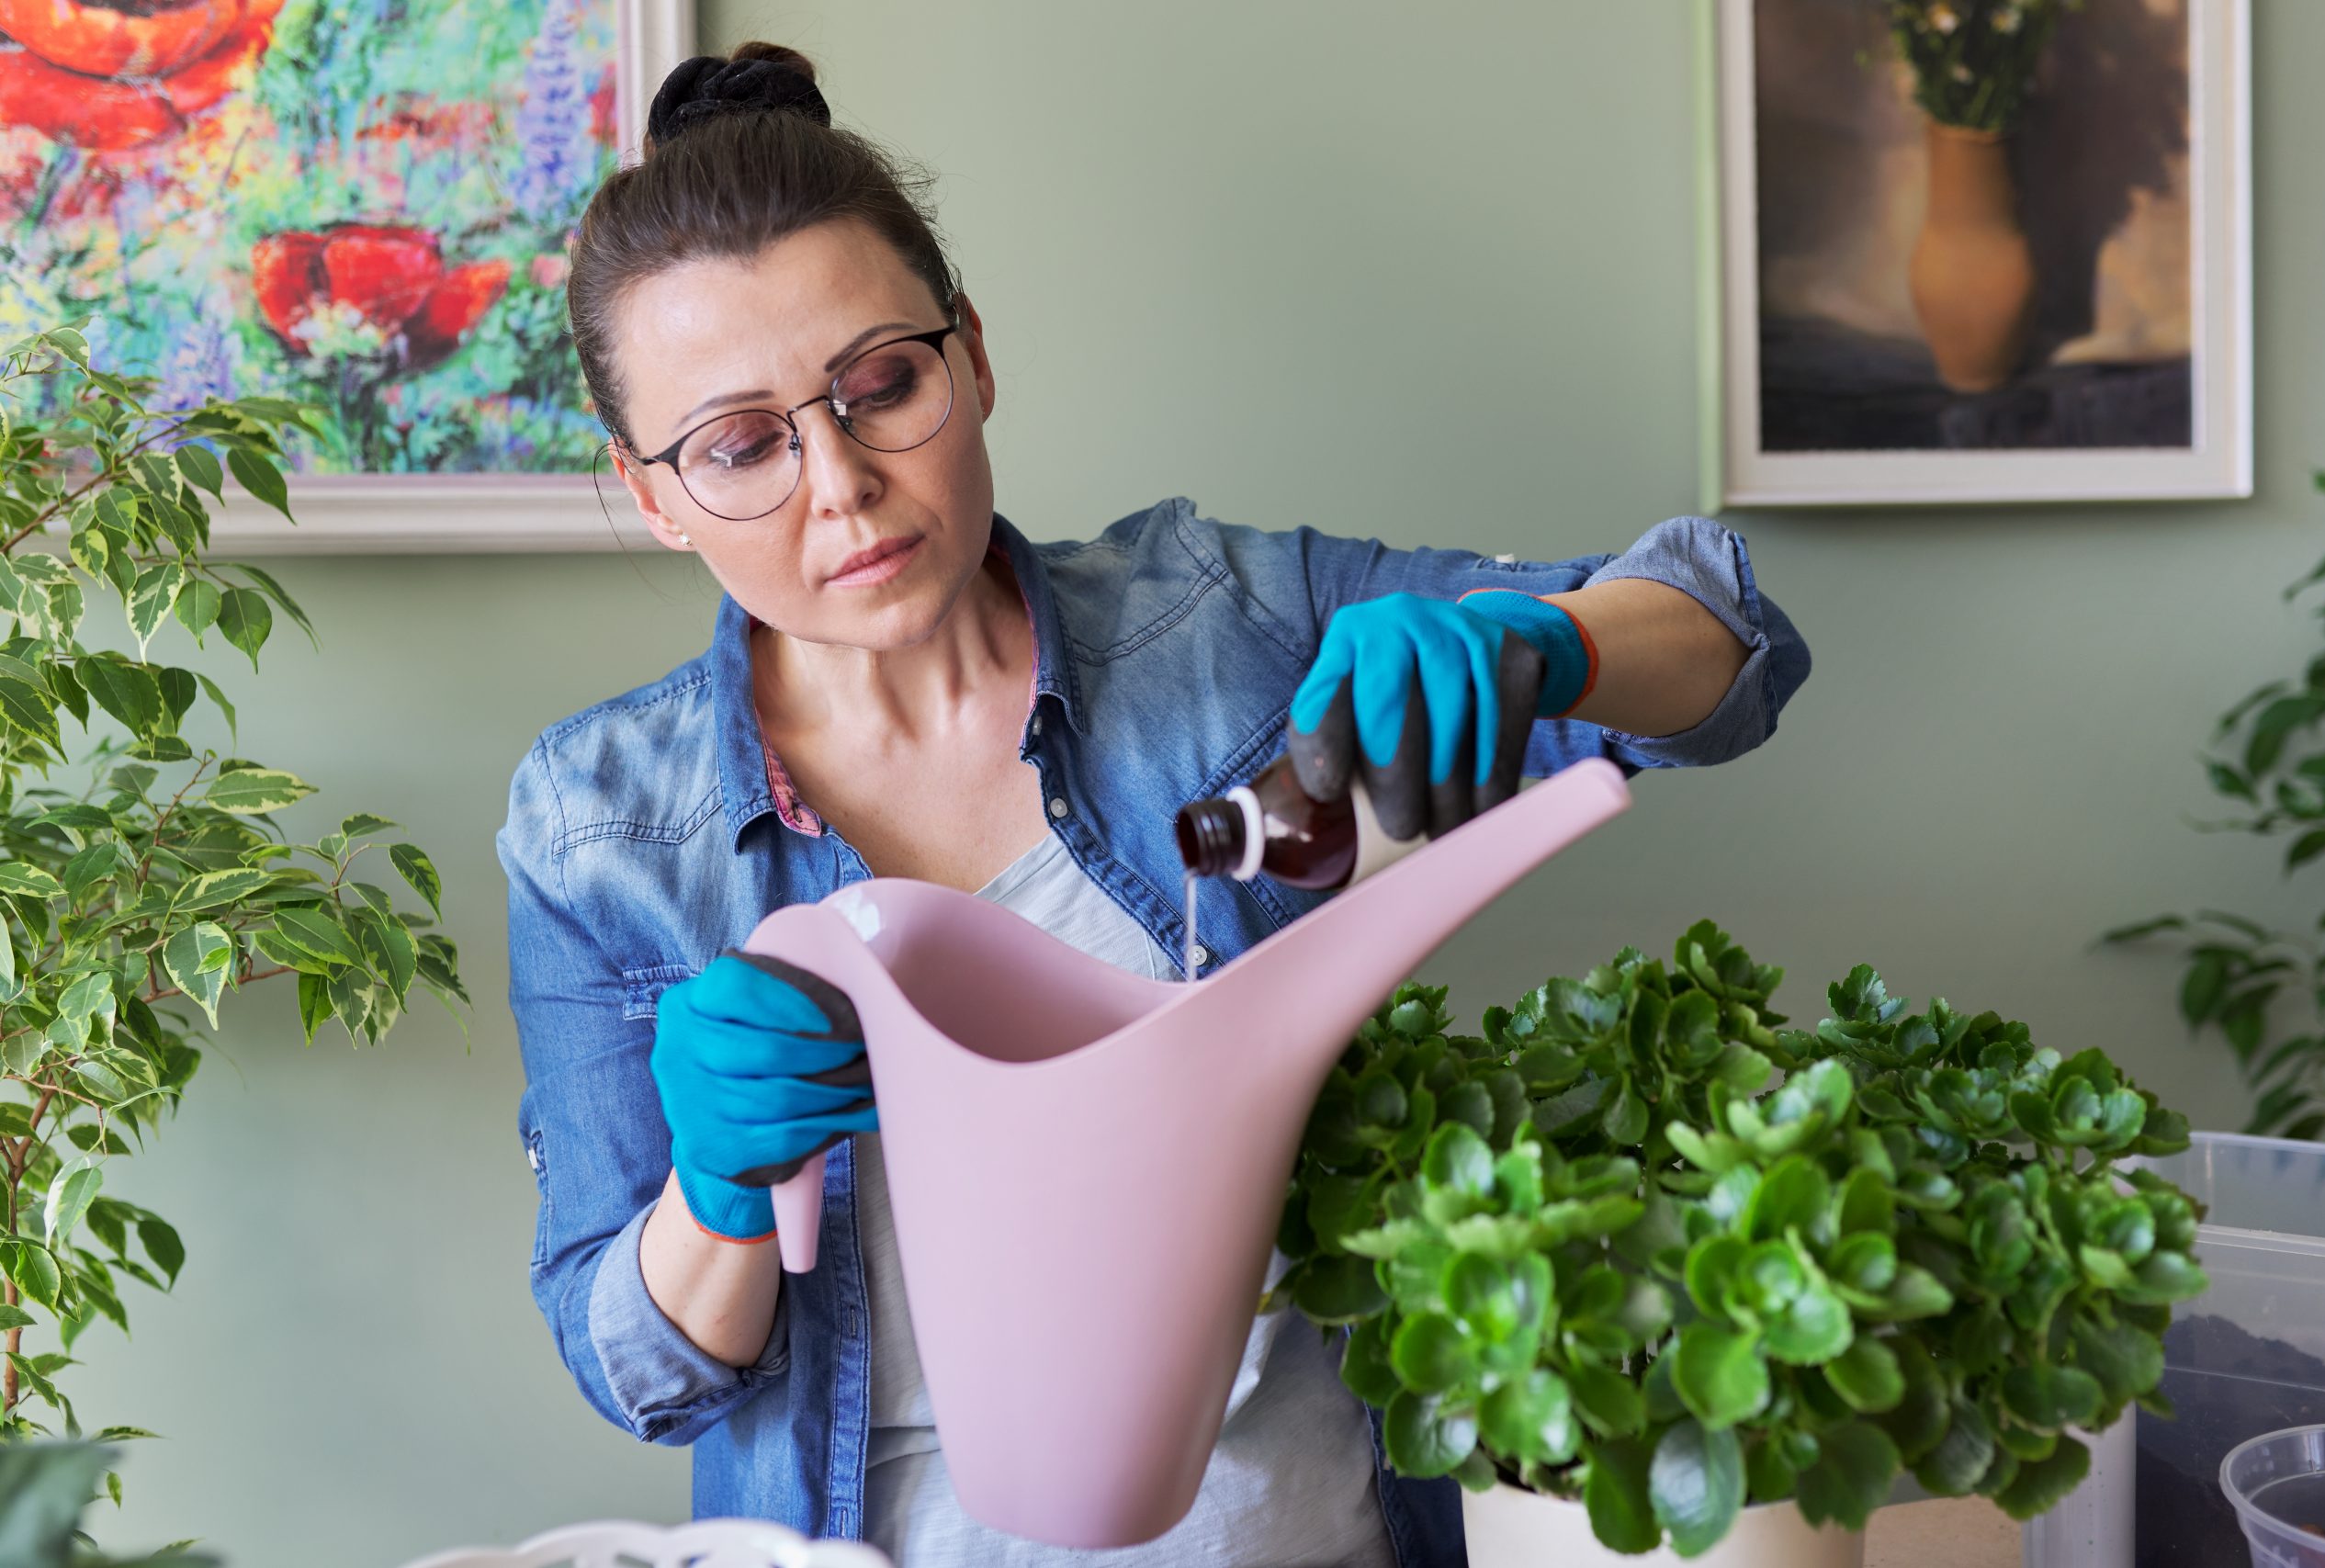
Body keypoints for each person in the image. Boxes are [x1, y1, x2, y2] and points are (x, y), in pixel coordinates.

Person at [498, 42, 1811, 1568]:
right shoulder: (600, 825)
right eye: (739, 447)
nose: (841, 483)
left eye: (881, 386)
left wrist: (1552, 642)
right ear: (653, 495)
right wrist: (713, 1202)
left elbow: (1730, 642)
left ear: (971, 358)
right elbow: (638, 1372)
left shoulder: (1224, 630)